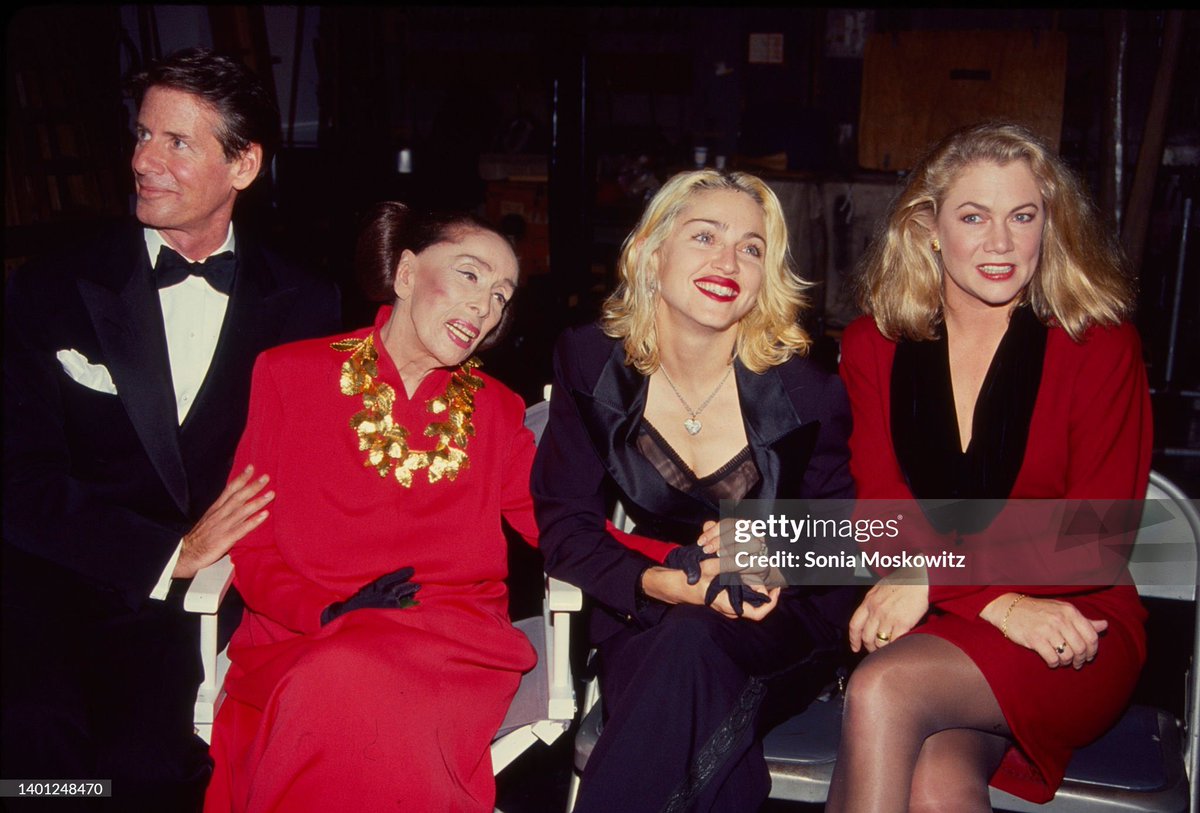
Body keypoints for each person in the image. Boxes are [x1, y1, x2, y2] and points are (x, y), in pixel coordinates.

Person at [1, 47, 341, 811]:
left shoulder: (306, 304)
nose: (142, 161)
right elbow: (17, 479)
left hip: (204, 606)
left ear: (244, 165)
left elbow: (312, 472)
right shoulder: (50, 287)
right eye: (142, 135)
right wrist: (168, 550)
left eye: (176, 142)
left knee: (153, 772)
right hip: (51, 585)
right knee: (37, 771)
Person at [826, 121, 1152, 811]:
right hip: (949, 618)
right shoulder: (873, 346)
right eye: (974, 216)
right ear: (931, 227)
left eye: (1022, 216)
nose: (1000, 243)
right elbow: (880, 513)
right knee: (936, 783)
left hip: (1074, 623)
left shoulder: (1098, 344)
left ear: (1050, 226)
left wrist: (936, 575)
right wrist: (995, 601)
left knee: (883, 686)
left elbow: (1093, 536)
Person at [531, 169, 857, 813]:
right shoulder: (590, 362)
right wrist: (659, 584)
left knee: (689, 649)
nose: (728, 261)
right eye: (704, 235)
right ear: (653, 254)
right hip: (651, 607)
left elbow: (854, 540)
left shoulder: (808, 391)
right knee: (684, 649)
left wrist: (775, 554)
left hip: (782, 622)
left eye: (752, 248)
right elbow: (565, 526)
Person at [202, 201, 539, 812]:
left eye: (500, 295)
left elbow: (561, 524)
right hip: (304, 636)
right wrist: (326, 610)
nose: (484, 307)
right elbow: (249, 540)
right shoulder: (287, 374)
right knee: (335, 675)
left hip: (447, 642)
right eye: (470, 275)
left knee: (347, 680)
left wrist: (683, 552)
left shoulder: (497, 408)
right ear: (406, 274)